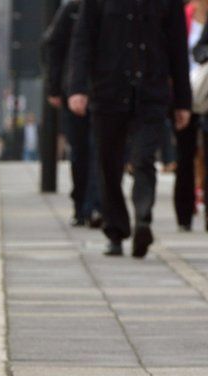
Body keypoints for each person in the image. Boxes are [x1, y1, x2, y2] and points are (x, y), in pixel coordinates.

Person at [69, 0, 191, 258]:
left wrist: (183, 101)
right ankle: (116, 230)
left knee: (144, 158)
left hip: (151, 91)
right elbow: (82, 41)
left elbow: (178, 48)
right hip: (109, 90)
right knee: (109, 165)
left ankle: (143, 217)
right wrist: (77, 88)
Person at [44, 0, 102, 228]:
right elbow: (53, 48)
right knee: (80, 151)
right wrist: (54, 88)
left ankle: (96, 206)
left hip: (103, 91)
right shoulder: (71, 10)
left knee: (99, 149)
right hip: (75, 91)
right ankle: (80, 205)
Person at [173, 0, 208, 231]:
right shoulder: (181, 14)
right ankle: (184, 214)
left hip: (206, 92)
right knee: (185, 156)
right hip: (182, 93)